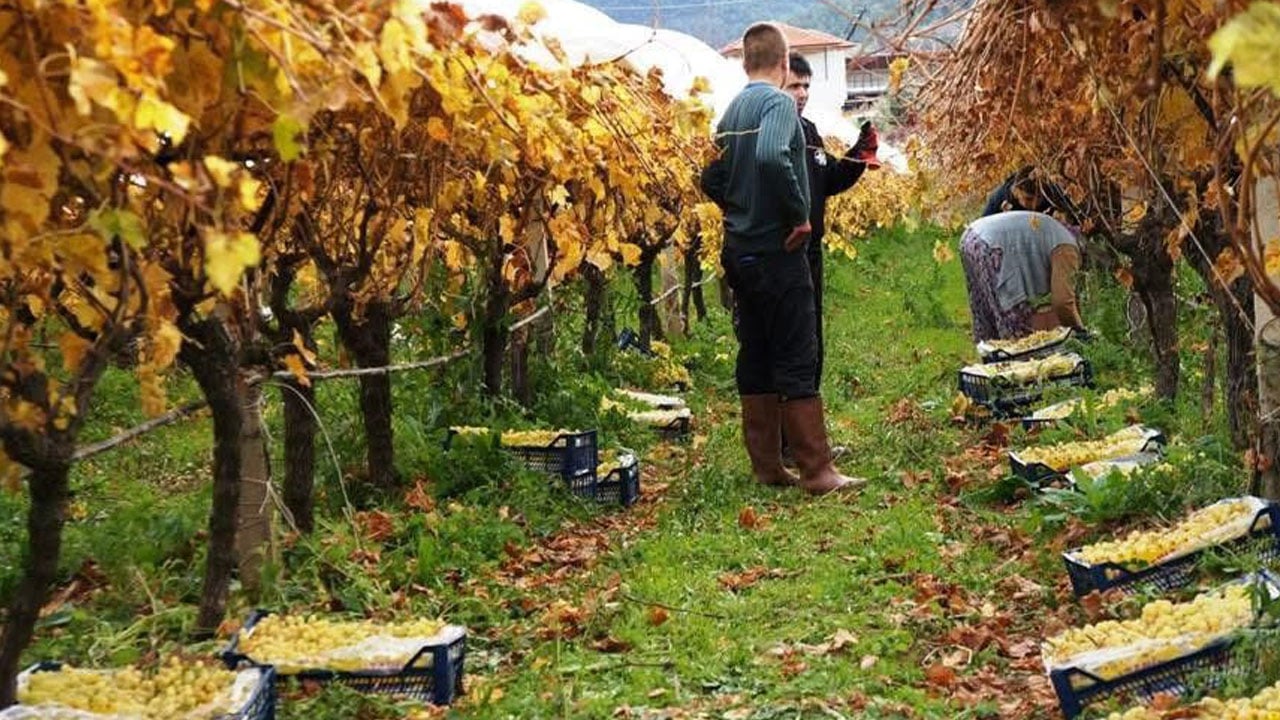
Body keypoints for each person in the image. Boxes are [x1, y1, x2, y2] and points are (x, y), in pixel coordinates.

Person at [699, 23, 859, 495]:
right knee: (796, 351)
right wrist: (797, 214)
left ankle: (768, 466)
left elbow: (710, 176)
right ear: (785, 63)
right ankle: (817, 471)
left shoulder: (732, 111)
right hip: (778, 252)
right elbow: (772, 156)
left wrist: (740, 209)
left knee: (756, 350)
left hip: (740, 253)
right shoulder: (778, 105)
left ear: (745, 62)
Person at [781, 52, 875, 388]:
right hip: (781, 252)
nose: (802, 94)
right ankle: (788, 409)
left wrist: (860, 153)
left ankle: (808, 403)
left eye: (806, 86)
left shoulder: (808, 131)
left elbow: (829, 178)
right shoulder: (768, 134)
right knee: (790, 335)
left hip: (809, 251)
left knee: (810, 331)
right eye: (794, 86)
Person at [959, 210, 1086, 342]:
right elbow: (1062, 302)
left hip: (972, 237)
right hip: (993, 247)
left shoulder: (1058, 233)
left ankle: (989, 352)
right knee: (1015, 328)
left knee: (986, 317)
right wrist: (1081, 332)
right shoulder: (1069, 249)